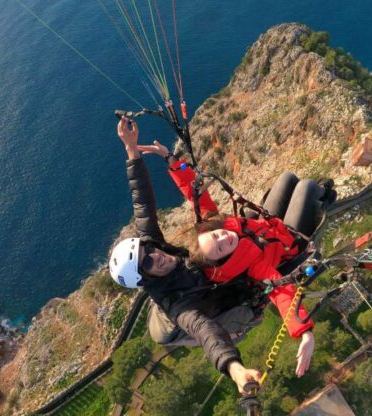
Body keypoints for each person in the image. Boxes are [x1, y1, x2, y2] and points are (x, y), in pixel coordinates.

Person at [137, 140, 336, 378]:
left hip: (264, 227)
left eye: (217, 235)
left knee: (287, 178)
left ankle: (313, 192)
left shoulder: (213, 227)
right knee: (306, 187)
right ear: (224, 259)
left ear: (208, 230)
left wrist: (171, 160)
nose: (224, 238)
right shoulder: (252, 265)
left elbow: (195, 192)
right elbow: (281, 292)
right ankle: (324, 194)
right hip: (288, 244)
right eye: (222, 248)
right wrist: (305, 332)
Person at [108, 118, 261, 393]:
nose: (156, 255)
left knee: (250, 222)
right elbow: (205, 332)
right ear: (145, 279)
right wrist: (235, 369)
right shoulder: (177, 306)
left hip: (209, 274)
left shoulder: (154, 248)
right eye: (148, 262)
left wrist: (131, 151)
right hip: (221, 299)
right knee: (253, 287)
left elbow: (142, 203)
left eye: (150, 250)